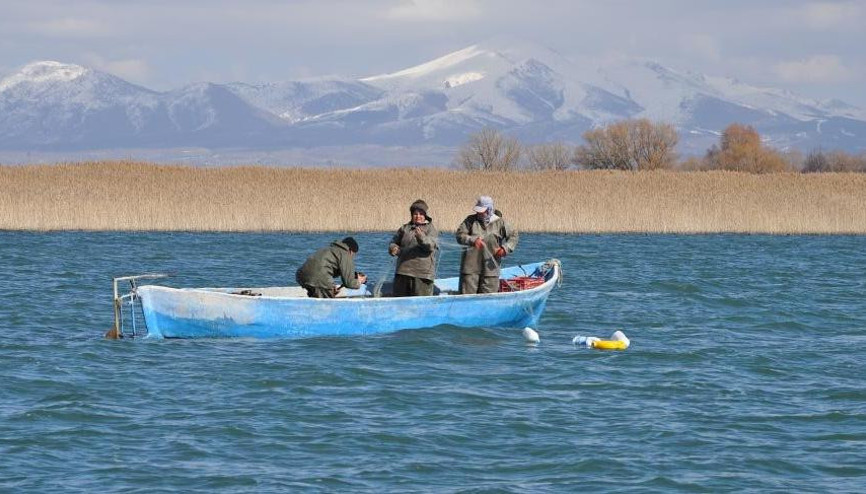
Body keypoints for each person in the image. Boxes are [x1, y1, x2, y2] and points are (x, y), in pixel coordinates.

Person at [455, 196, 519, 294]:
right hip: (470, 270)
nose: (479, 213)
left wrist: (505, 249)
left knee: (489, 296)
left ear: (489, 210)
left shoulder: (500, 222)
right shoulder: (470, 221)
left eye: (482, 211)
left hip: (490, 269)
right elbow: (460, 235)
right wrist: (472, 240)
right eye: (478, 211)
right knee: (466, 296)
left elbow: (514, 236)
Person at [388, 199, 439, 296]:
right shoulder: (405, 228)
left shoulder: (431, 229)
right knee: (400, 301)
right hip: (402, 272)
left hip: (422, 275)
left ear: (425, 216)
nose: (418, 216)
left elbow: (430, 246)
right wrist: (393, 248)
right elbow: (393, 242)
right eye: (415, 214)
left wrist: (421, 237)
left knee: (421, 302)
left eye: (421, 214)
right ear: (412, 215)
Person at [295, 237, 367, 298]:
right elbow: (349, 283)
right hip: (319, 278)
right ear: (351, 251)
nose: (353, 257)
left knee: (317, 294)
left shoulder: (330, 249)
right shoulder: (345, 254)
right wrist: (359, 281)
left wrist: (331, 287)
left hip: (301, 276)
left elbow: (326, 268)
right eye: (354, 254)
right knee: (326, 303)